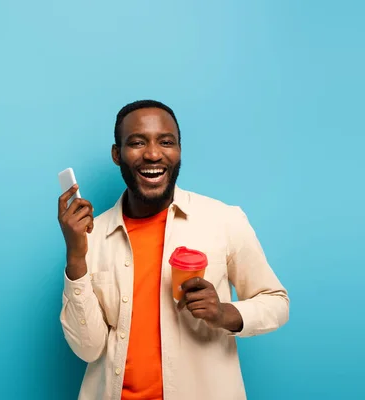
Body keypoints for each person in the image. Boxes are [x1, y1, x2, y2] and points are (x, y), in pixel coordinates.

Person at [57, 100, 290, 400]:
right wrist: (76, 255)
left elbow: (276, 302)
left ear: (179, 150)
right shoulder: (91, 236)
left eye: (166, 142)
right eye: (137, 142)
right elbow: (87, 347)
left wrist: (224, 312)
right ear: (117, 154)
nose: (153, 154)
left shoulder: (223, 220)